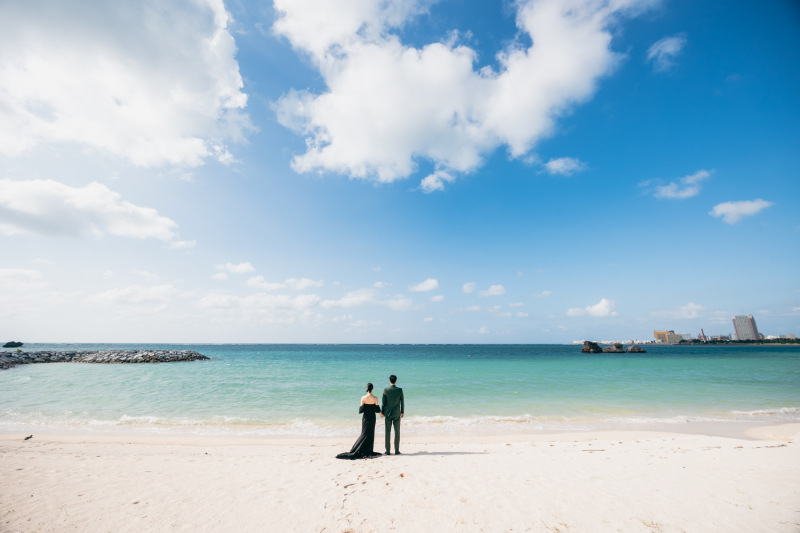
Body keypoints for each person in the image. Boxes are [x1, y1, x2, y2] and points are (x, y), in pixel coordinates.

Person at [336, 383, 383, 460]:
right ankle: (368, 450)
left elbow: (361, 410)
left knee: (364, 433)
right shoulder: (375, 398)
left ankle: (359, 448)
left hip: (365, 417)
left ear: (367, 388)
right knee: (370, 433)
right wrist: (382, 415)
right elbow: (377, 409)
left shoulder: (363, 398)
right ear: (373, 389)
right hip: (372, 417)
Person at [380, 375, 404, 455]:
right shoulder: (400, 390)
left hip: (388, 413)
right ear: (396, 380)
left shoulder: (386, 390)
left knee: (387, 431)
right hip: (397, 412)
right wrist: (402, 412)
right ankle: (396, 450)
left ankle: (388, 451)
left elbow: (383, 403)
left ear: (389, 381)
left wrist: (382, 412)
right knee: (397, 431)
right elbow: (402, 401)